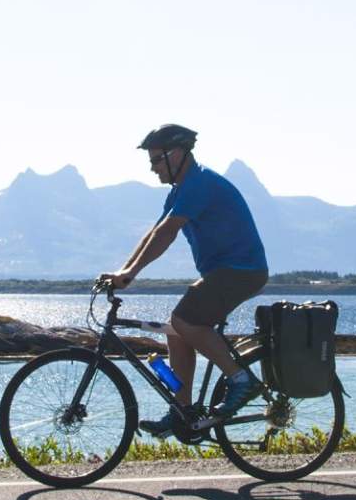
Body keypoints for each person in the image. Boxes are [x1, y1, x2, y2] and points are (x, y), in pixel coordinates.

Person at [97, 123, 269, 437]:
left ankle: (241, 381)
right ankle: (182, 411)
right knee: (177, 332)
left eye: (156, 161)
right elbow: (155, 231)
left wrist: (130, 275)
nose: (152, 169)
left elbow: (168, 232)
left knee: (184, 320)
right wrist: (124, 271)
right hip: (224, 272)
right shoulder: (182, 189)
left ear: (177, 154)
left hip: (242, 271)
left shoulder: (199, 183)